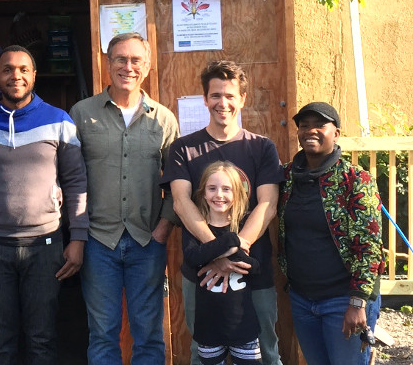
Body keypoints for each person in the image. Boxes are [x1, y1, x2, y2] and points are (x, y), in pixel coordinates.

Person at [0, 45, 89, 364]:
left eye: (24, 69)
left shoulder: (60, 121)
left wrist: (78, 239)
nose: (16, 75)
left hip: (46, 245)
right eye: (8, 69)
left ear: (34, 76)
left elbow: (76, 182)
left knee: (42, 339)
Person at [160, 60, 285, 365]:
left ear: (242, 99)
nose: (223, 103)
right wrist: (214, 254)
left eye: (230, 96)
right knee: (202, 353)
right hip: (201, 274)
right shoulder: (183, 149)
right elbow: (181, 202)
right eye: (215, 95)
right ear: (205, 99)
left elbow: (266, 206)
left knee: (266, 351)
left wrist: (233, 253)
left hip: (252, 271)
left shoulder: (262, 148)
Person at [69, 32, 179, 364]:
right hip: (98, 242)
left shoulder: (163, 119)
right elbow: (70, 179)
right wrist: (77, 233)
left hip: (147, 242)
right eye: (120, 59)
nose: (127, 67)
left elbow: (178, 185)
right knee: (102, 334)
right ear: (108, 63)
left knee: (148, 334)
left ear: (146, 67)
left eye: (135, 60)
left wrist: (162, 230)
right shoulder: (82, 115)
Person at [278, 102, 384, 365]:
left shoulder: (355, 179)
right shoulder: (287, 176)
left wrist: (358, 301)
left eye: (319, 125)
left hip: (343, 300)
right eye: (304, 125)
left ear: (336, 133)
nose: (310, 130)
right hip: (302, 299)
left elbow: (369, 244)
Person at [185, 161, 262, 365]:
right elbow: (193, 258)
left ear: (236, 194)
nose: (219, 195)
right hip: (208, 326)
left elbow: (254, 266)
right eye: (212, 188)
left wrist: (218, 255)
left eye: (226, 189)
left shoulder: (244, 224)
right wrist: (232, 241)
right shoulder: (195, 227)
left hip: (242, 325)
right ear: (203, 193)